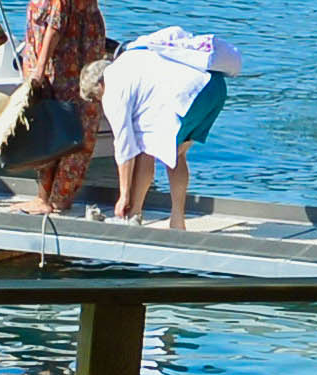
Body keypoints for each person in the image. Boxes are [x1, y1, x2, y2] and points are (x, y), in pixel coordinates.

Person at [15, 0, 113, 215]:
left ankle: (45, 199)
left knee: (50, 132)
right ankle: (60, 196)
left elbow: (53, 29)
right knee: (75, 134)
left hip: (59, 70)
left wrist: (38, 68)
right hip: (84, 70)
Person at [100, 27, 237, 226]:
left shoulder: (118, 74)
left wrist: (124, 196)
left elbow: (125, 146)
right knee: (177, 154)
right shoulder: (146, 49)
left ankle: (134, 215)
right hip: (214, 86)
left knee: (145, 150)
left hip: (189, 94)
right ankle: (177, 219)